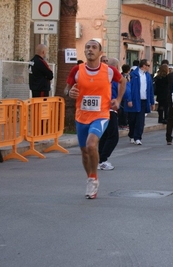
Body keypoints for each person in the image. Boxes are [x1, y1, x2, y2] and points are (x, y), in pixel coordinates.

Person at [64, 40, 124, 199]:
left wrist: (118, 100)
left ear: (100, 52)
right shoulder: (77, 70)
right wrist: (70, 93)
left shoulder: (109, 71)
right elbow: (67, 88)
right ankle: (91, 178)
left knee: (92, 145)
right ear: (84, 52)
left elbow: (123, 81)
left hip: (101, 115)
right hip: (82, 116)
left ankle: (94, 176)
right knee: (84, 152)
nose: (90, 50)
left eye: (93, 47)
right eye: (87, 47)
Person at [97, 58, 126, 171]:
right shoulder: (114, 78)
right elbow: (122, 89)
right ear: (117, 67)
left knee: (105, 135)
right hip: (109, 109)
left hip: (103, 108)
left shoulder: (103, 75)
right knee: (113, 136)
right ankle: (103, 160)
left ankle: (100, 159)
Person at [124, 59, 155, 145]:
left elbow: (150, 89)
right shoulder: (133, 75)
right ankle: (131, 135)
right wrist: (129, 99)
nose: (149, 67)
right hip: (134, 100)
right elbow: (128, 88)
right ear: (143, 65)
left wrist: (152, 102)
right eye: (148, 65)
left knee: (140, 120)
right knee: (132, 119)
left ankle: (138, 137)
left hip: (144, 100)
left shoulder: (148, 76)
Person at [118, 64, 130, 130]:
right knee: (125, 110)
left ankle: (120, 123)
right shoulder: (127, 77)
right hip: (125, 94)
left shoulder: (120, 75)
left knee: (121, 109)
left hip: (121, 93)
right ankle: (124, 123)